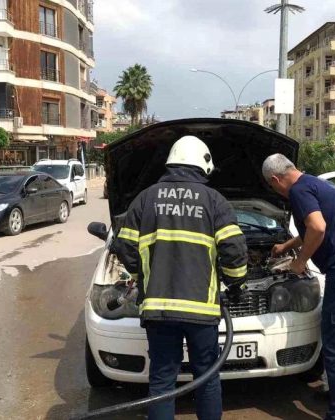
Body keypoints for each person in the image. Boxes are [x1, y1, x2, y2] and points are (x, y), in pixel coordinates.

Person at [112, 135, 248, 420]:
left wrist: (143, 275)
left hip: (158, 311)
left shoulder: (145, 199)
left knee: (162, 380)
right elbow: (234, 250)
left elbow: (125, 246)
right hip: (202, 311)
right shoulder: (215, 201)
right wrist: (235, 283)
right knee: (207, 377)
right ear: (203, 164)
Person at [262, 153, 335, 420]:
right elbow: (311, 229)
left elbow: (318, 226)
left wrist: (300, 261)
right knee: (333, 332)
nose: (275, 190)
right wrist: (286, 247)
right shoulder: (314, 183)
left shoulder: (299, 191)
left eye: (272, 186)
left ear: (276, 179)